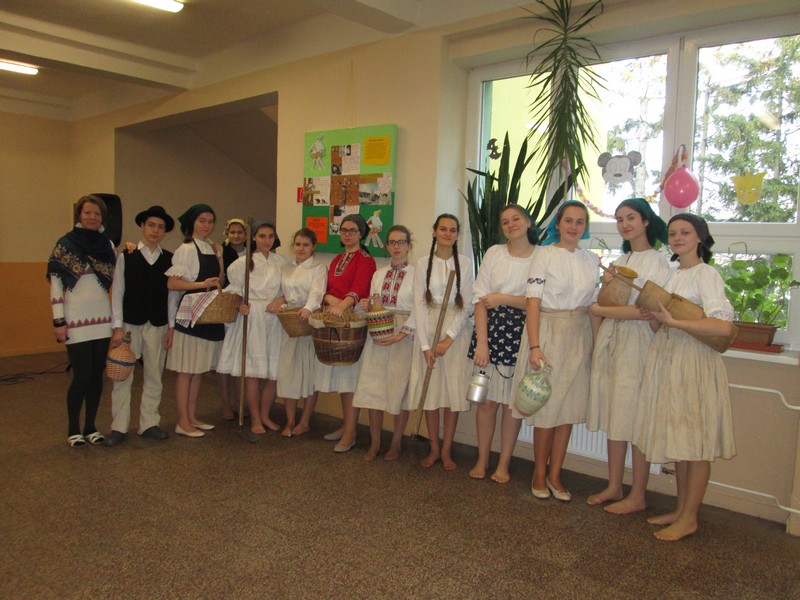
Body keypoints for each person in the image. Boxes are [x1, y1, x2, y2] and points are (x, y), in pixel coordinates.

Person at [633, 213, 735, 541]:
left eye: (685, 232)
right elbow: (660, 326)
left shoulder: (706, 274)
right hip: (669, 359)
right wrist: (653, 317)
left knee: (696, 444)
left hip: (693, 362)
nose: (677, 238)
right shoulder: (674, 275)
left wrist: (675, 323)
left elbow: (723, 326)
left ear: (700, 237)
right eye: (673, 233)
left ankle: (689, 517)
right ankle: (680, 510)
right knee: (681, 440)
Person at [585, 199, 672, 510]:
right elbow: (605, 302)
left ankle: (638, 495)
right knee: (615, 415)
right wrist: (606, 293)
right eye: (620, 219)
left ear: (646, 221)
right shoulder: (620, 260)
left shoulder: (659, 263)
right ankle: (614, 486)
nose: (625, 224)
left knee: (635, 419)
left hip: (639, 346)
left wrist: (602, 310)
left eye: (631, 217)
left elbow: (649, 312)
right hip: (614, 342)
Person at [512, 201, 599, 501]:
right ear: (558, 224)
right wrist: (535, 346)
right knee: (547, 409)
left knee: (568, 410)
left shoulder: (592, 260)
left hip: (579, 336)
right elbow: (533, 301)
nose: (574, 226)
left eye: (580, 222)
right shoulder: (544, 255)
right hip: (549, 334)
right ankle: (539, 473)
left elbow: (592, 307)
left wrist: (595, 347)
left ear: (585, 227)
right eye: (568, 220)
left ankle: (555, 474)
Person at [468, 205, 537, 483]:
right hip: (490, 332)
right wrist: (482, 343)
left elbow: (538, 301)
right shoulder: (494, 253)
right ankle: (482, 459)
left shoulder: (542, 256)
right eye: (505, 221)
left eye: (516, 219)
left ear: (528, 222)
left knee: (512, 405)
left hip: (524, 334)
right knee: (486, 403)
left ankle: (504, 464)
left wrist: (502, 298)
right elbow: (479, 298)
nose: (511, 225)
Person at [104, 205, 176, 446]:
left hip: (157, 324)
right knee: (123, 375)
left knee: (155, 375)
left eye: (160, 227)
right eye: (151, 225)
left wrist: (171, 326)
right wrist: (117, 327)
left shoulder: (170, 259)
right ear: (142, 227)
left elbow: (172, 296)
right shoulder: (127, 256)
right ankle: (119, 427)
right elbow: (117, 292)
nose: (155, 230)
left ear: (164, 232)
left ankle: (149, 424)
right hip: (130, 324)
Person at [406, 214, 474, 470]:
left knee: (452, 392)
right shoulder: (423, 263)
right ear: (434, 232)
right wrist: (425, 346)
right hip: (428, 328)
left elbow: (466, 305)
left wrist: (448, 339)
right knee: (431, 393)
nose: (447, 233)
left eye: (452, 230)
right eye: (443, 229)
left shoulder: (465, 263)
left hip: (455, 332)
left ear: (457, 234)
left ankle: (447, 450)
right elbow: (420, 306)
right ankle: (434, 447)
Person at [48, 195, 116, 447]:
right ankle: (73, 430)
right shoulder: (65, 244)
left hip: (102, 320)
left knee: (96, 376)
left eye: (97, 213)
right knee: (81, 376)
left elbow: (118, 275)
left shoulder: (108, 245)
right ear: (79, 214)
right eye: (87, 212)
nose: (92, 217)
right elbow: (56, 285)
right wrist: (59, 322)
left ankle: (91, 427)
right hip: (75, 319)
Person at [217, 222, 288, 434]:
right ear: (254, 237)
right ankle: (255, 418)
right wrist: (240, 305)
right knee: (253, 372)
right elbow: (233, 292)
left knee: (274, 372)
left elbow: (289, 289)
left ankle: (265, 414)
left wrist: (282, 299)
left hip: (274, 317)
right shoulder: (242, 263)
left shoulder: (282, 262)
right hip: (253, 316)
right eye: (262, 236)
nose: (267, 240)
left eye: (270, 236)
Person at [353, 225, 416, 461]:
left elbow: (420, 308)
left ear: (409, 245)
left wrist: (402, 334)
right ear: (387, 245)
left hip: (403, 336)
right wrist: (367, 305)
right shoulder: (378, 274)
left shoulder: (418, 274)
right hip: (378, 334)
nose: (396, 247)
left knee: (399, 389)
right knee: (373, 388)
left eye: (401, 242)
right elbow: (372, 304)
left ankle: (396, 443)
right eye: (392, 242)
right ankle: (375, 443)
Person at [317, 213, 377, 452]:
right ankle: (346, 425)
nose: (348, 234)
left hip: (353, 320)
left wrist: (341, 306)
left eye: (353, 230)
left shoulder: (365, 260)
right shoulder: (337, 259)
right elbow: (327, 288)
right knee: (343, 377)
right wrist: (330, 300)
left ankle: (351, 432)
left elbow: (360, 288)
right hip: (337, 316)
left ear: (361, 234)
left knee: (351, 377)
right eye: (344, 230)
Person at [165, 204, 225, 438]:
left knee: (198, 370)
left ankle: (192, 416)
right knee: (186, 371)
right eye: (202, 220)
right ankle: (182, 421)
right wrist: (200, 285)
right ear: (192, 223)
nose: (207, 225)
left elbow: (219, 280)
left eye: (210, 221)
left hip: (208, 316)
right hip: (190, 317)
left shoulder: (211, 247)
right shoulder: (187, 248)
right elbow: (172, 283)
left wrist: (220, 257)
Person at [275, 228, 327, 437]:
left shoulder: (318, 268)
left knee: (309, 374)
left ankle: (304, 421)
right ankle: (289, 420)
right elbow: (282, 294)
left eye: (306, 245)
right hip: (290, 324)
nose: (301, 248)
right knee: (288, 373)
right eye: (298, 244)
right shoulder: (286, 268)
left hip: (308, 323)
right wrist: (281, 304)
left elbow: (317, 292)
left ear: (313, 246)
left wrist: (308, 308)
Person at [218, 218, 248, 420]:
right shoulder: (222, 253)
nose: (236, 236)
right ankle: (225, 404)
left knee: (239, 359)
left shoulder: (251, 254)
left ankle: (239, 402)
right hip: (228, 308)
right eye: (232, 232)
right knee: (225, 359)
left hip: (245, 309)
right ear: (227, 234)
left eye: (240, 232)